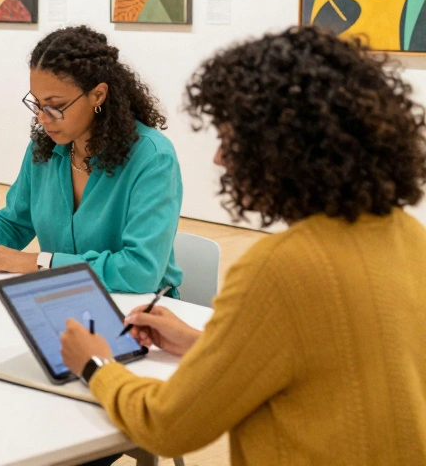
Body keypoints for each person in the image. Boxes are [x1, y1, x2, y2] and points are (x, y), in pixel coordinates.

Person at [59, 27, 426, 463]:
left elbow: (168, 425)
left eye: (229, 138)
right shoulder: (407, 235)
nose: (219, 158)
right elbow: (323, 364)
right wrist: (203, 344)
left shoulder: (281, 267)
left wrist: (97, 365)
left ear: (279, 150)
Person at [0, 26, 182, 295]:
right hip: (64, 298)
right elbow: (15, 222)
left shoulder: (152, 158)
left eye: (56, 106)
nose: (43, 118)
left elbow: (140, 271)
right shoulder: (45, 147)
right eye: (37, 103)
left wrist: (40, 263)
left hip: (141, 313)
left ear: (98, 95)